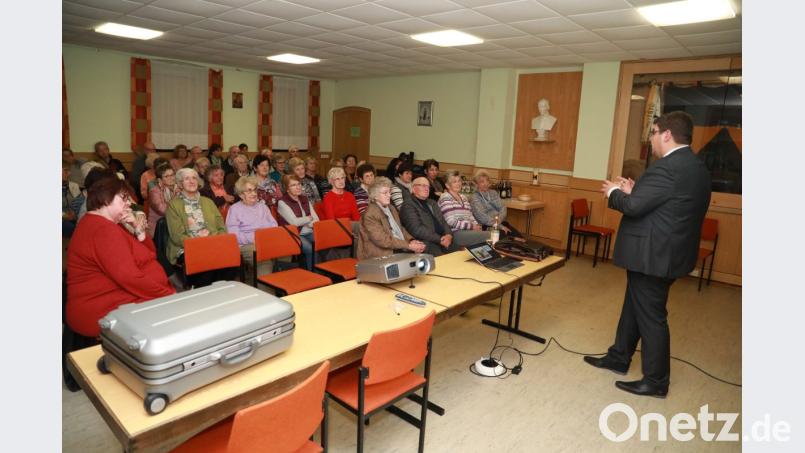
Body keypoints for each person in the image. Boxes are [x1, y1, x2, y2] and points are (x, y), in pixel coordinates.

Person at [583, 111, 711, 398]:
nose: (650, 138)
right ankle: (619, 357)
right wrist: (637, 190)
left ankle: (656, 381)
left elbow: (633, 208)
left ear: (666, 134)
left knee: (652, 317)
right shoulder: (695, 166)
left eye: (653, 132)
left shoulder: (666, 167)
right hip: (668, 254)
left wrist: (616, 192)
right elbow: (667, 203)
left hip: (653, 256)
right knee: (634, 306)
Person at [66, 177, 174, 338]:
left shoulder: (108, 224)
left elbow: (150, 256)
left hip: (118, 300)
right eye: (123, 198)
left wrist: (138, 230)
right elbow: (129, 277)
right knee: (176, 318)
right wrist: (168, 295)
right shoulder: (102, 229)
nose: (129, 202)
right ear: (105, 198)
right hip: (102, 310)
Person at [165, 168, 230, 287]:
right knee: (207, 262)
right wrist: (199, 243)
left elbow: (221, 227)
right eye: (186, 179)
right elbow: (177, 236)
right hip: (187, 246)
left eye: (194, 178)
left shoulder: (208, 202)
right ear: (180, 183)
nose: (191, 181)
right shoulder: (174, 205)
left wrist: (214, 240)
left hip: (212, 242)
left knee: (232, 261)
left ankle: (221, 293)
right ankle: (204, 295)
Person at [226, 175, 278, 284]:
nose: (254, 193)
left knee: (285, 253)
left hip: (265, 241)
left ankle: (256, 282)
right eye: (249, 191)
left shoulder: (262, 207)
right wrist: (255, 238)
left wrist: (265, 237)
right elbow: (233, 235)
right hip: (246, 245)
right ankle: (266, 296)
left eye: (255, 190)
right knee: (264, 260)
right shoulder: (234, 209)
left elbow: (274, 225)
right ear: (240, 194)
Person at [357, 177, 425, 260]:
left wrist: (411, 240)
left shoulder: (391, 208)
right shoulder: (369, 215)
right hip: (380, 254)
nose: (389, 195)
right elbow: (383, 241)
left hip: (397, 247)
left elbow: (400, 228)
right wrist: (408, 245)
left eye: (389, 192)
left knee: (424, 250)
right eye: (385, 193)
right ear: (375, 196)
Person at [400, 176, 459, 257]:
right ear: (413, 189)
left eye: (428, 186)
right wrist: (439, 239)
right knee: (442, 260)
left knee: (459, 255)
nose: (427, 188)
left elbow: (443, 222)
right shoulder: (408, 205)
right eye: (423, 186)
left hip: (443, 239)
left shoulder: (432, 203)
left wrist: (448, 235)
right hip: (426, 242)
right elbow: (417, 230)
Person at [276, 174, 319, 270]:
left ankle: (319, 270)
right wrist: (308, 219)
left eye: (299, 184)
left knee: (322, 241)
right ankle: (312, 274)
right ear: (287, 189)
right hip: (293, 233)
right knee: (309, 248)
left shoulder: (304, 199)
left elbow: (316, 219)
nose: (298, 187)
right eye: (293, 185)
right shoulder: (282, 202)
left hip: (308, 230)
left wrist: (306, 221)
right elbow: (294, 223)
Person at [438, 170, 489, 246]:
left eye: (459, 181)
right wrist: (472, 226)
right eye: (454, 182)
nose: (458, 184)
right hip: (455, 233)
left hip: (468, 231)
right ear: (447, 185)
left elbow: (470, 216)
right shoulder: (445, 198)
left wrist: (477, 226)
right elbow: (451, 221)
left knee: (491, 235)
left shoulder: (464, 197)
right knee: (491, 235)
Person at [470, 169, 519, 236]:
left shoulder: (493, 193)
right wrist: (500, 226)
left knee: (521, 239)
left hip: (500, 222)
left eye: (487, 180)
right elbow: (483, 218)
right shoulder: (475, 198)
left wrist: (499, 220)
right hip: (486, 226)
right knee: (510, 239)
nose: (486, 183)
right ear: (476, 184)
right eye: (482, 181)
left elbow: (503, 207)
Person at [146, 164, 179, 238]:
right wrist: (175, 197)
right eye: (167, 176)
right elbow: (163, 211)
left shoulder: (179, 188)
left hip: (176, 226)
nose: (171, 178)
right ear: (159, 180)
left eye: (172, 175)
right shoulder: (154, 191)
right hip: (159, 229)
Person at [63, 162, 84, 238]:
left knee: (84, 224)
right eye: (65, 171)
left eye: (69, 171)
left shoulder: (73, 185)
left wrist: (74, 213)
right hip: (62, 217)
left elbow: (78, 202)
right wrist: (63, 215)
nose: (69, 173)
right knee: (71, 228)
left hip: (72, 214)